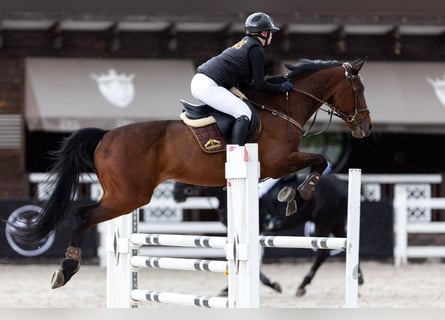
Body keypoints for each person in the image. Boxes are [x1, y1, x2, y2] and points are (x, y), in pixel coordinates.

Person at [190, 12, 293, 146]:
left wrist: (277, 80)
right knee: (244, 113)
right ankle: (236, 156)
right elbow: (259, 85)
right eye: (270, 31)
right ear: (263, 33)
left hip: (202, 82)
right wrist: (281, 88)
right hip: (208, 86)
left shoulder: (246, 43)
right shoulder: (256, 49)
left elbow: (249, 83)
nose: (272, 35)